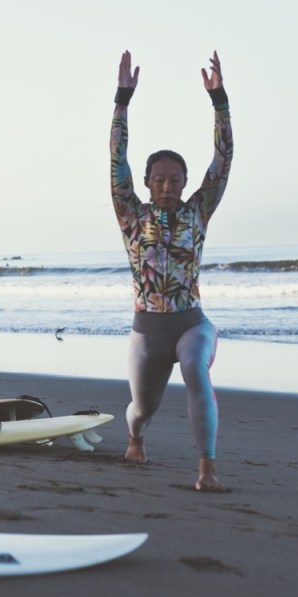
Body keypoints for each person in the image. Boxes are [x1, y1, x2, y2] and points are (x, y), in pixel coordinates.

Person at [110, 50, 234, 492]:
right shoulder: (130, 214)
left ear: (185, 183)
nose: (168, 185)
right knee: (142, 408)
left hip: (191, 323)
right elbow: (116, 160)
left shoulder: (200, 210)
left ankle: (207, 468)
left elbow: (223, 160)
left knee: (196, 373)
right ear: (146, 183)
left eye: (175, 179)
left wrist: (219, 101)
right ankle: (135, 438)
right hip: (147, 330)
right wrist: (122, 100)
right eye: (159, 178)